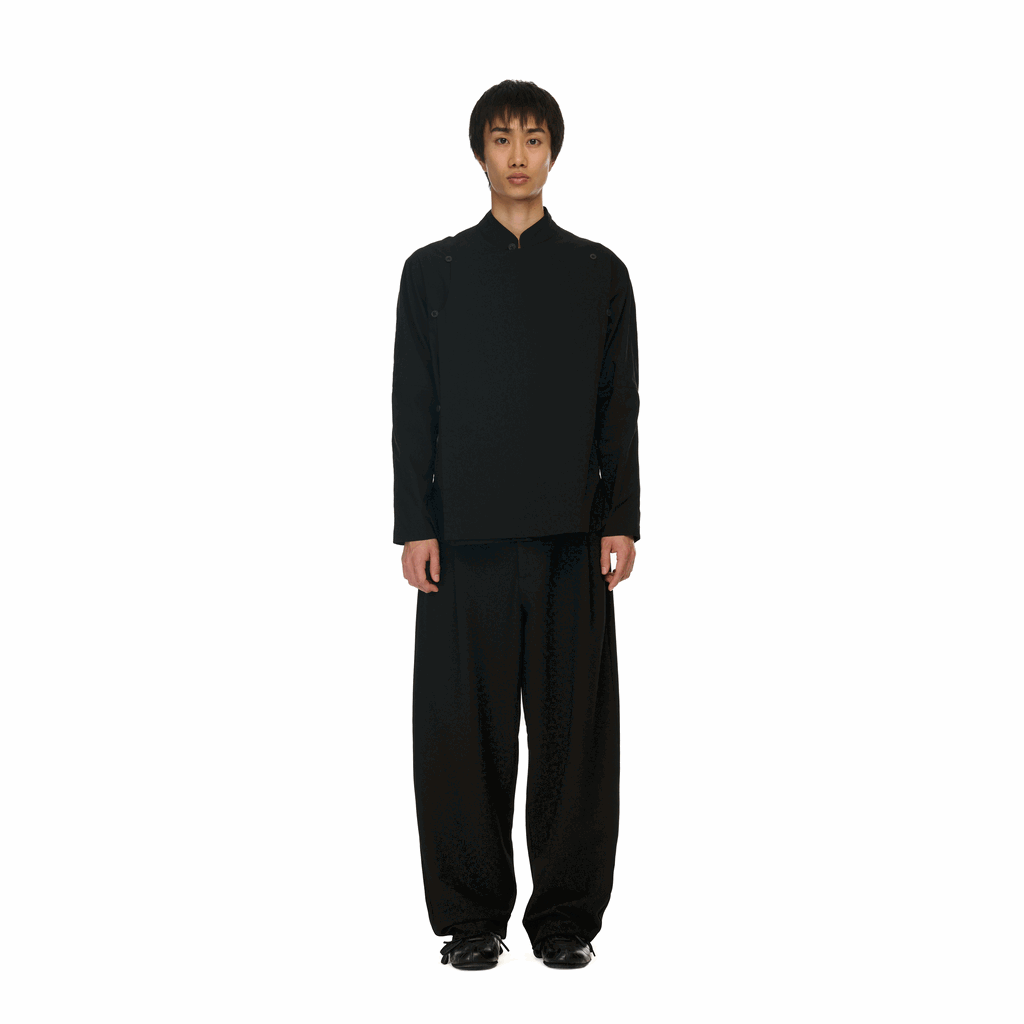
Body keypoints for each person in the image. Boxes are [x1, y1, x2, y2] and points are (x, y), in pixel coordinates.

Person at [391, 79, 640, 970]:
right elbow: (412, 405)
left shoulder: (599, 273)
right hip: (462, 543)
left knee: (575, 738)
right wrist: (415, 523)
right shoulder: (433, 273)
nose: (519, 155)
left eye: (534, 137)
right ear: (480, 152)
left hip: (573, 537)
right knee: (462, 737)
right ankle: (471, 921)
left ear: (554, 150)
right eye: (502, 138)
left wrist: (620, 518)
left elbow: (618, 406)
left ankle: (566, 920)